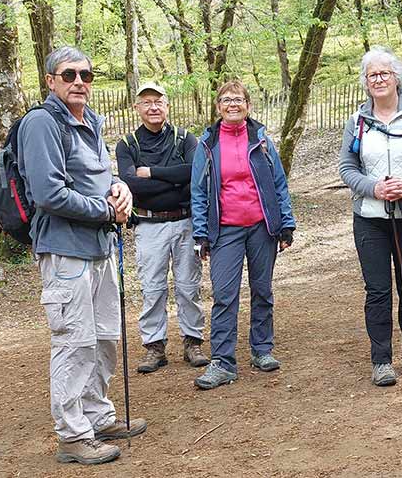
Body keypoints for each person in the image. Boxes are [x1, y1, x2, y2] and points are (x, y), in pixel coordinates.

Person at [18, 46, 146, 464]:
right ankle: (72, 435)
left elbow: (99, 177)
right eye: (69, 74)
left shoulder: (90, 121)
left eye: (85, 75)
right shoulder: (41, 123)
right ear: (50, 81)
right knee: (75, 341)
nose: (78, 82)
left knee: (105, 336)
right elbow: (48, 193)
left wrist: (120, 189)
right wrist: (107, 211)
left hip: (100, 246)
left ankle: (97, 415)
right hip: (65, 249)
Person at [338, 47, 402, 387]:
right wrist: (374, 188)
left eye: (384, 73)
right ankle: (381, 359)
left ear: (396, 77)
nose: (379, 79)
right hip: (370, 218)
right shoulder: (357, 122)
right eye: (372, 75)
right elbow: (346, 168)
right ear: (365, 82)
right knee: (378, 290)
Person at [190, 81, 296, 390]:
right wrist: (201, 234)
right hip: (225, 230)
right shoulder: (208, 144)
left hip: (262, 227)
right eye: (226, 99)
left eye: (238, 99)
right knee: (224, 294)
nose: (232, 104)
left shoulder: (261, 140)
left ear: (248, 105)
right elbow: (198, 191)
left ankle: (262, 350)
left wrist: (286, 224)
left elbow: (279, 183)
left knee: (262, 290)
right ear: (218, 107)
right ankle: (223, 362)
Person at [115, 81, 209, 373]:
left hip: (185, 222)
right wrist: (174, 182)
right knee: (152, 288)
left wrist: (152, 173)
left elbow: (195, 173)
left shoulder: (185, 139)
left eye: (158, 101)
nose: (153, 107)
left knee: (188, 286)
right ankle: (154, 347)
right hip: (148, 224)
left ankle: (193, 342)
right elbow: (131, 185)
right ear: (137, 107)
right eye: (146, 102)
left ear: (167, 105)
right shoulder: (128, 144)